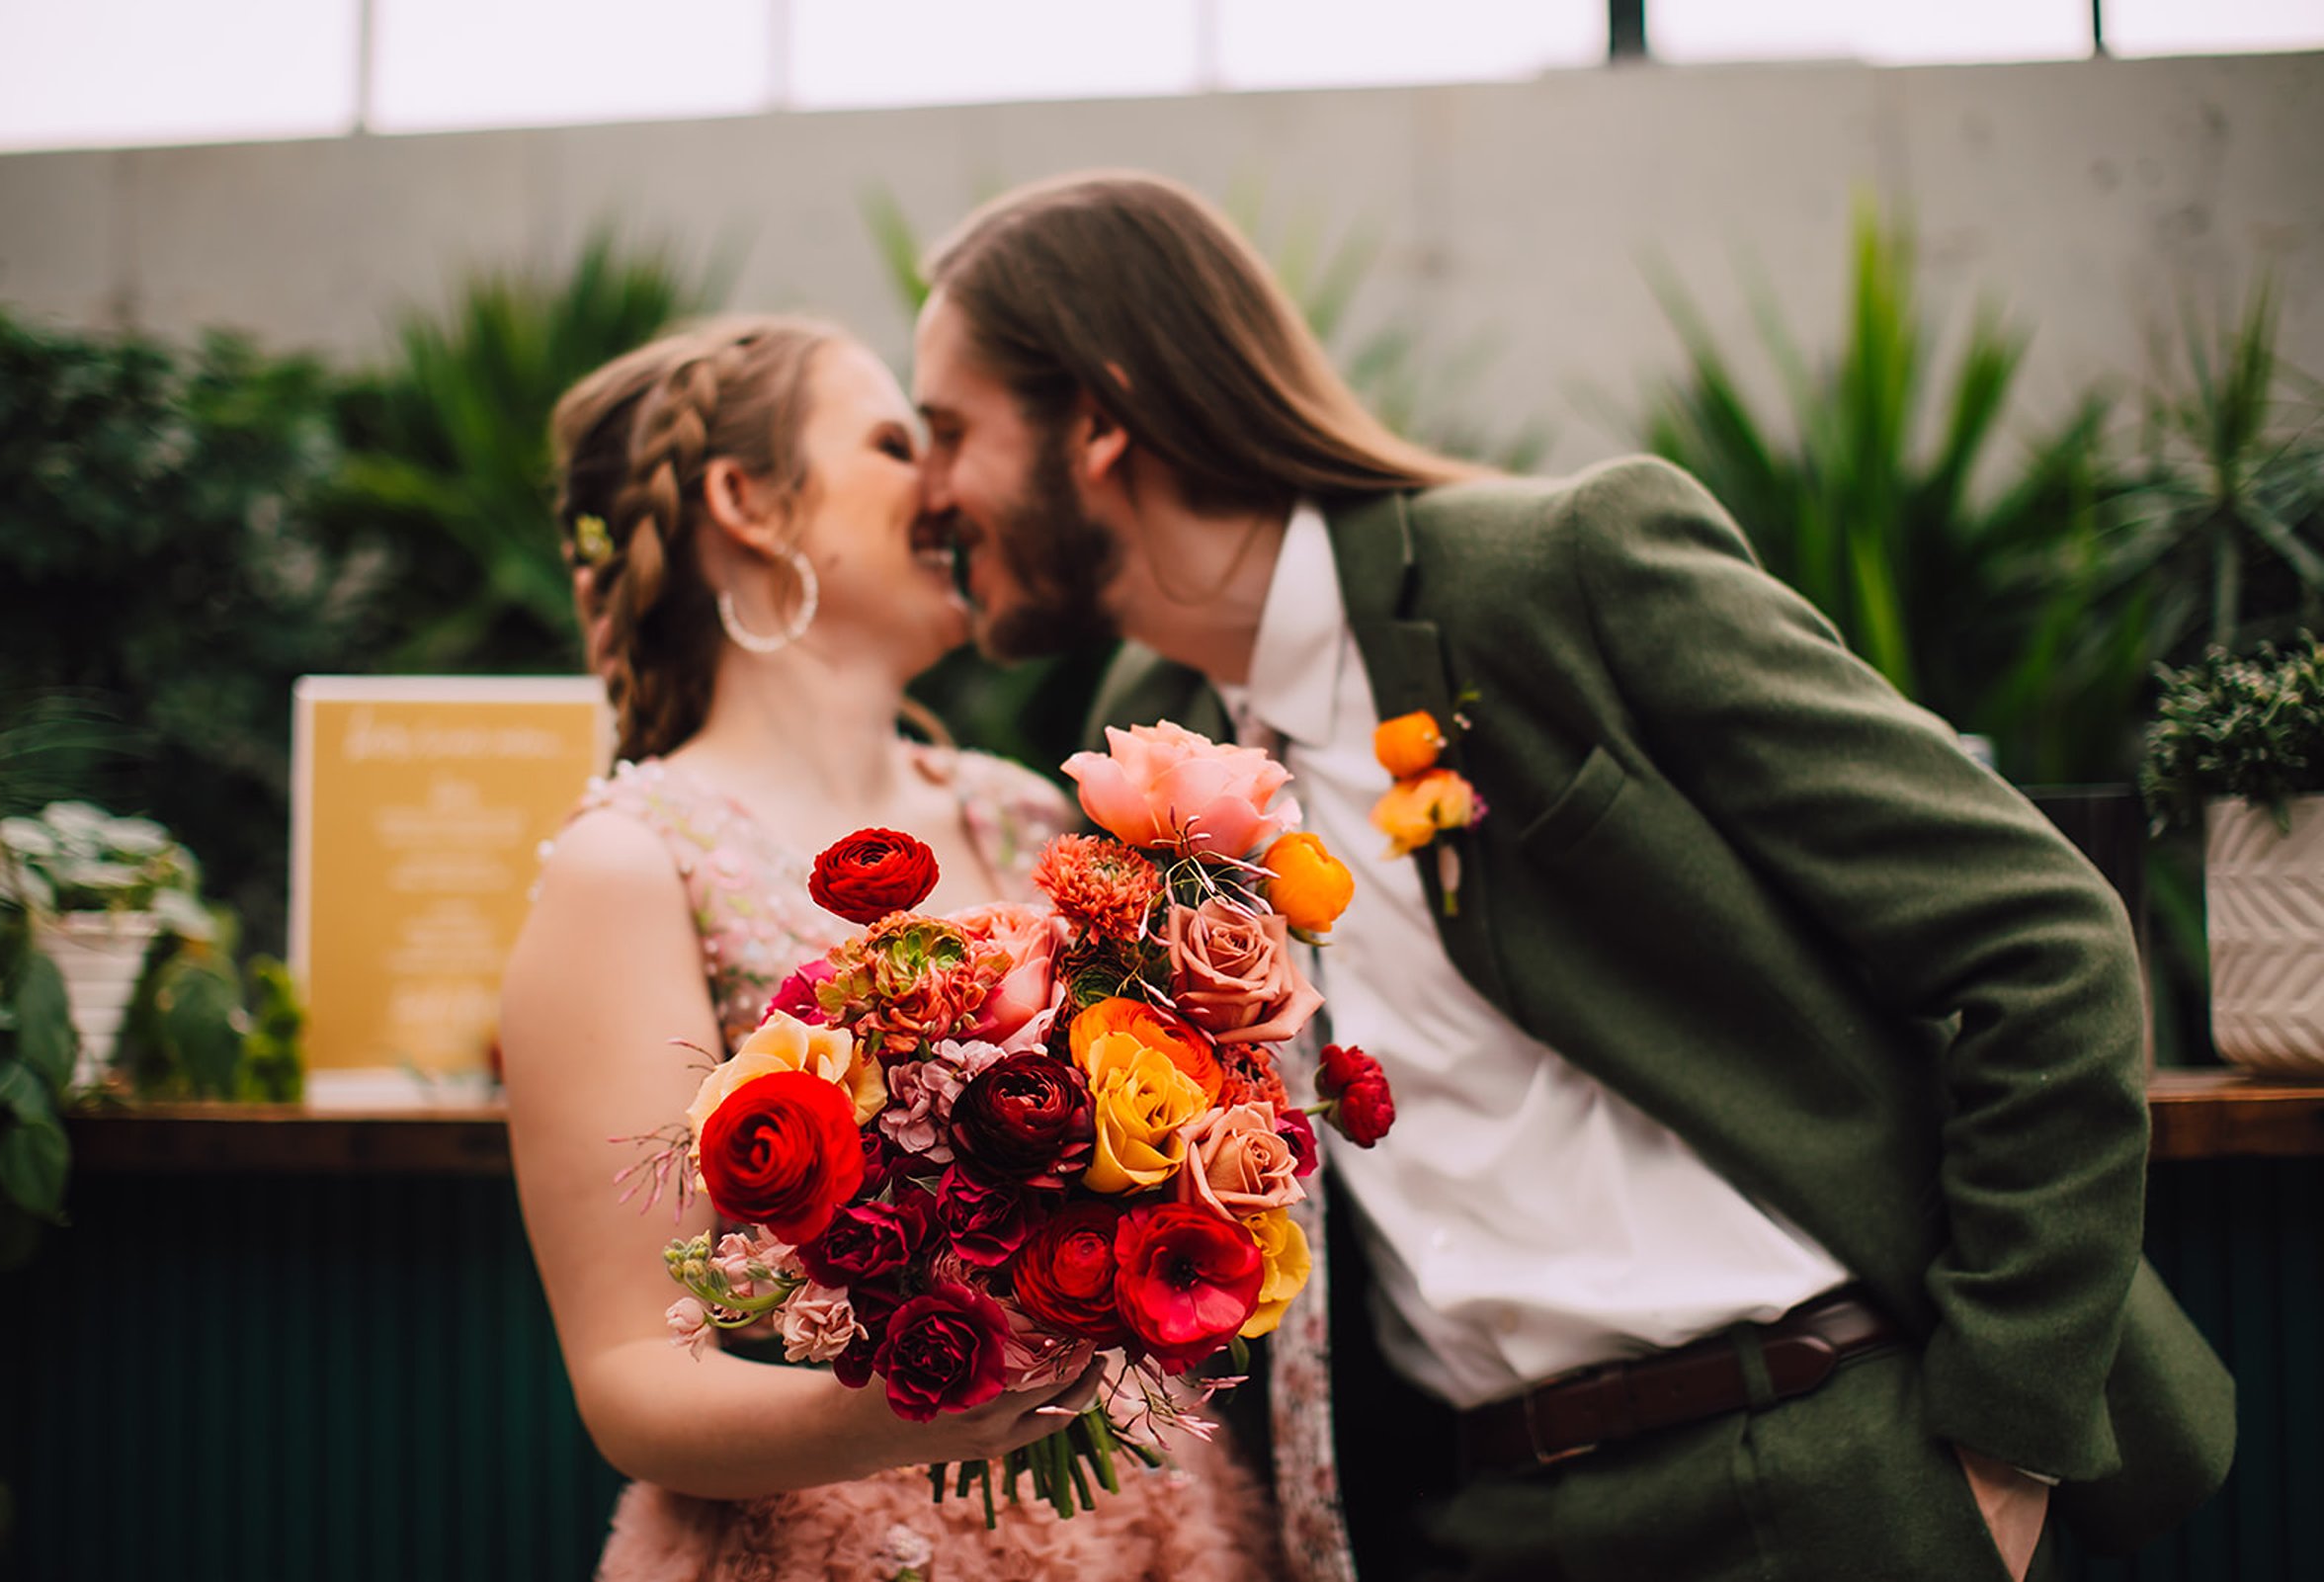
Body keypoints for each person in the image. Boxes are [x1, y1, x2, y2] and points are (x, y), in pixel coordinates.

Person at [906, 170, 2236, 1582]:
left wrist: (1998, 1445)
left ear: (1103, 419)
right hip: (1474, 1517)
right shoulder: (1146, 728)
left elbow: (2043, 940)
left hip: (1813, 1460)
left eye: (944, 433)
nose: (925, 493)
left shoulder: (1557, 574)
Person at [499, 315, 1284, 1580]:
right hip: (840, 1539)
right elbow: (631, 1377)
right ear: (748, 501)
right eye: (893, 441)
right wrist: (887, 1413)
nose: (949, 484)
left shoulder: (1031, 813)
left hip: (1146, 1525)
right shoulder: (629, 866)